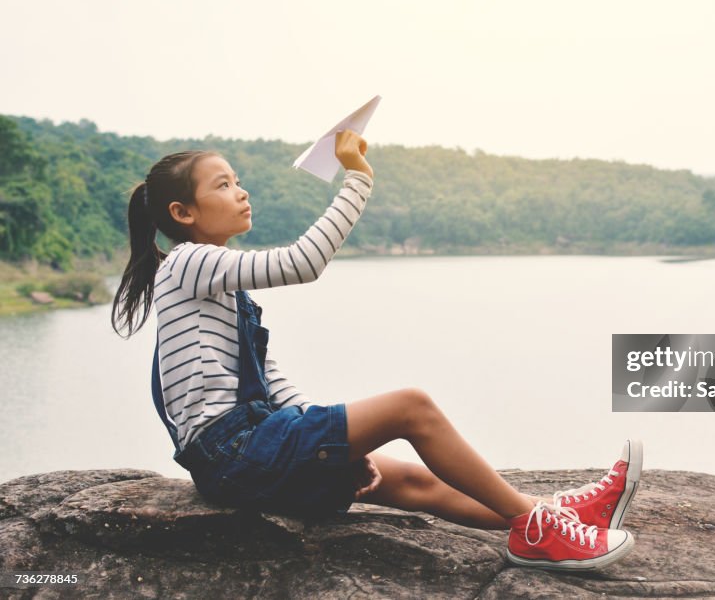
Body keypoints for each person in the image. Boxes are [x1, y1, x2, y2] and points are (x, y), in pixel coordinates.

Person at [110, 128, 643, 571]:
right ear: (183, 213)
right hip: (234, 453)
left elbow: (273, 385)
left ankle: (559, 515)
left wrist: (346, 442)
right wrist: (357, 178)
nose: (242, 192)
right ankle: (537, 531)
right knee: (412, 407)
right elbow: (302, 262)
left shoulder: (225, 288)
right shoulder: (188, 263)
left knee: (406, 479)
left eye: (239, 181)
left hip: (246, 457)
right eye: (224, 185)